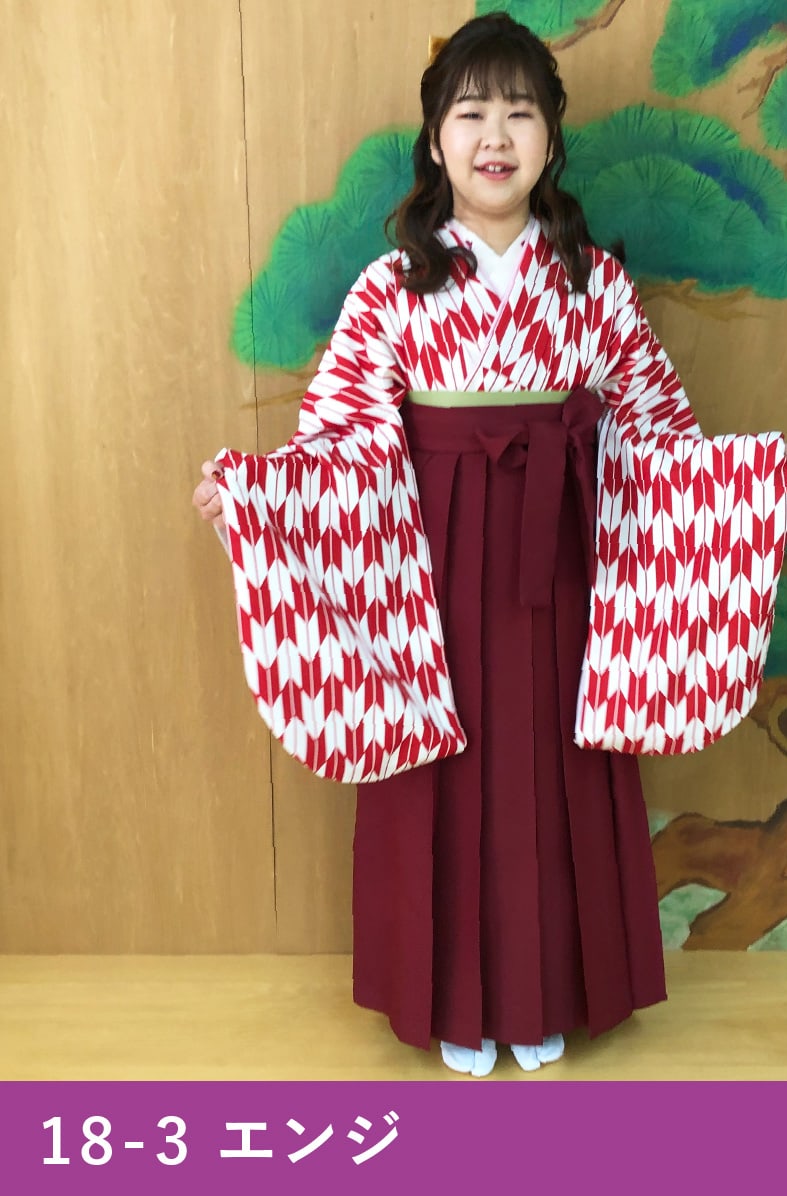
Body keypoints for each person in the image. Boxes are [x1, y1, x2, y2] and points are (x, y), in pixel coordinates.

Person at [195, 11, 705, 1077]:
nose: (495, 136)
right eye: (471, 113)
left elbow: (656, 429)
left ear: (551, 139)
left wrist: (737, 491)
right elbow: (339, 437)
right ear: (435, 141)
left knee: (557, 764)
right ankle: (454, 1002)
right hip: (425, 557)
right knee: (441, 758)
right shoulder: (393, 285)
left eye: (520, 112)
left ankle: (546, 991)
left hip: (561, 552)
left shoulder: (593, 282)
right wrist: (259, 497)